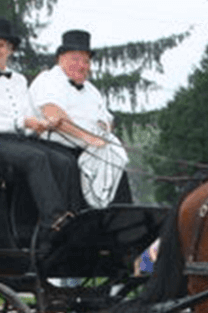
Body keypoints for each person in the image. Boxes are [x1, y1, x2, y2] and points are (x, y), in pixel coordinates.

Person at [0, 18, 76, 239]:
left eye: (1, 45)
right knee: (35, 158)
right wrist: (24, 123)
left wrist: (40, 126)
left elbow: (27, 113)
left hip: (14, 138)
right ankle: (53, 219)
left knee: (65, 160)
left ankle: (72, 215)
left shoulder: (20, 80)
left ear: (10, 50)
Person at [29, 29, 129, 209]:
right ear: (61, 59)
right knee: (68, 164)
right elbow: (54, 115)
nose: (82, 65)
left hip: (90, 149)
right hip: (54, 147)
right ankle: (71, 218)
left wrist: (102, 130)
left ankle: (119, 216)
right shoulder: (47, 80)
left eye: (86, 61)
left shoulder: (92, 91)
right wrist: (87, 137)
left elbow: (107, 121)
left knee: (115, 163)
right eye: (75, 59)